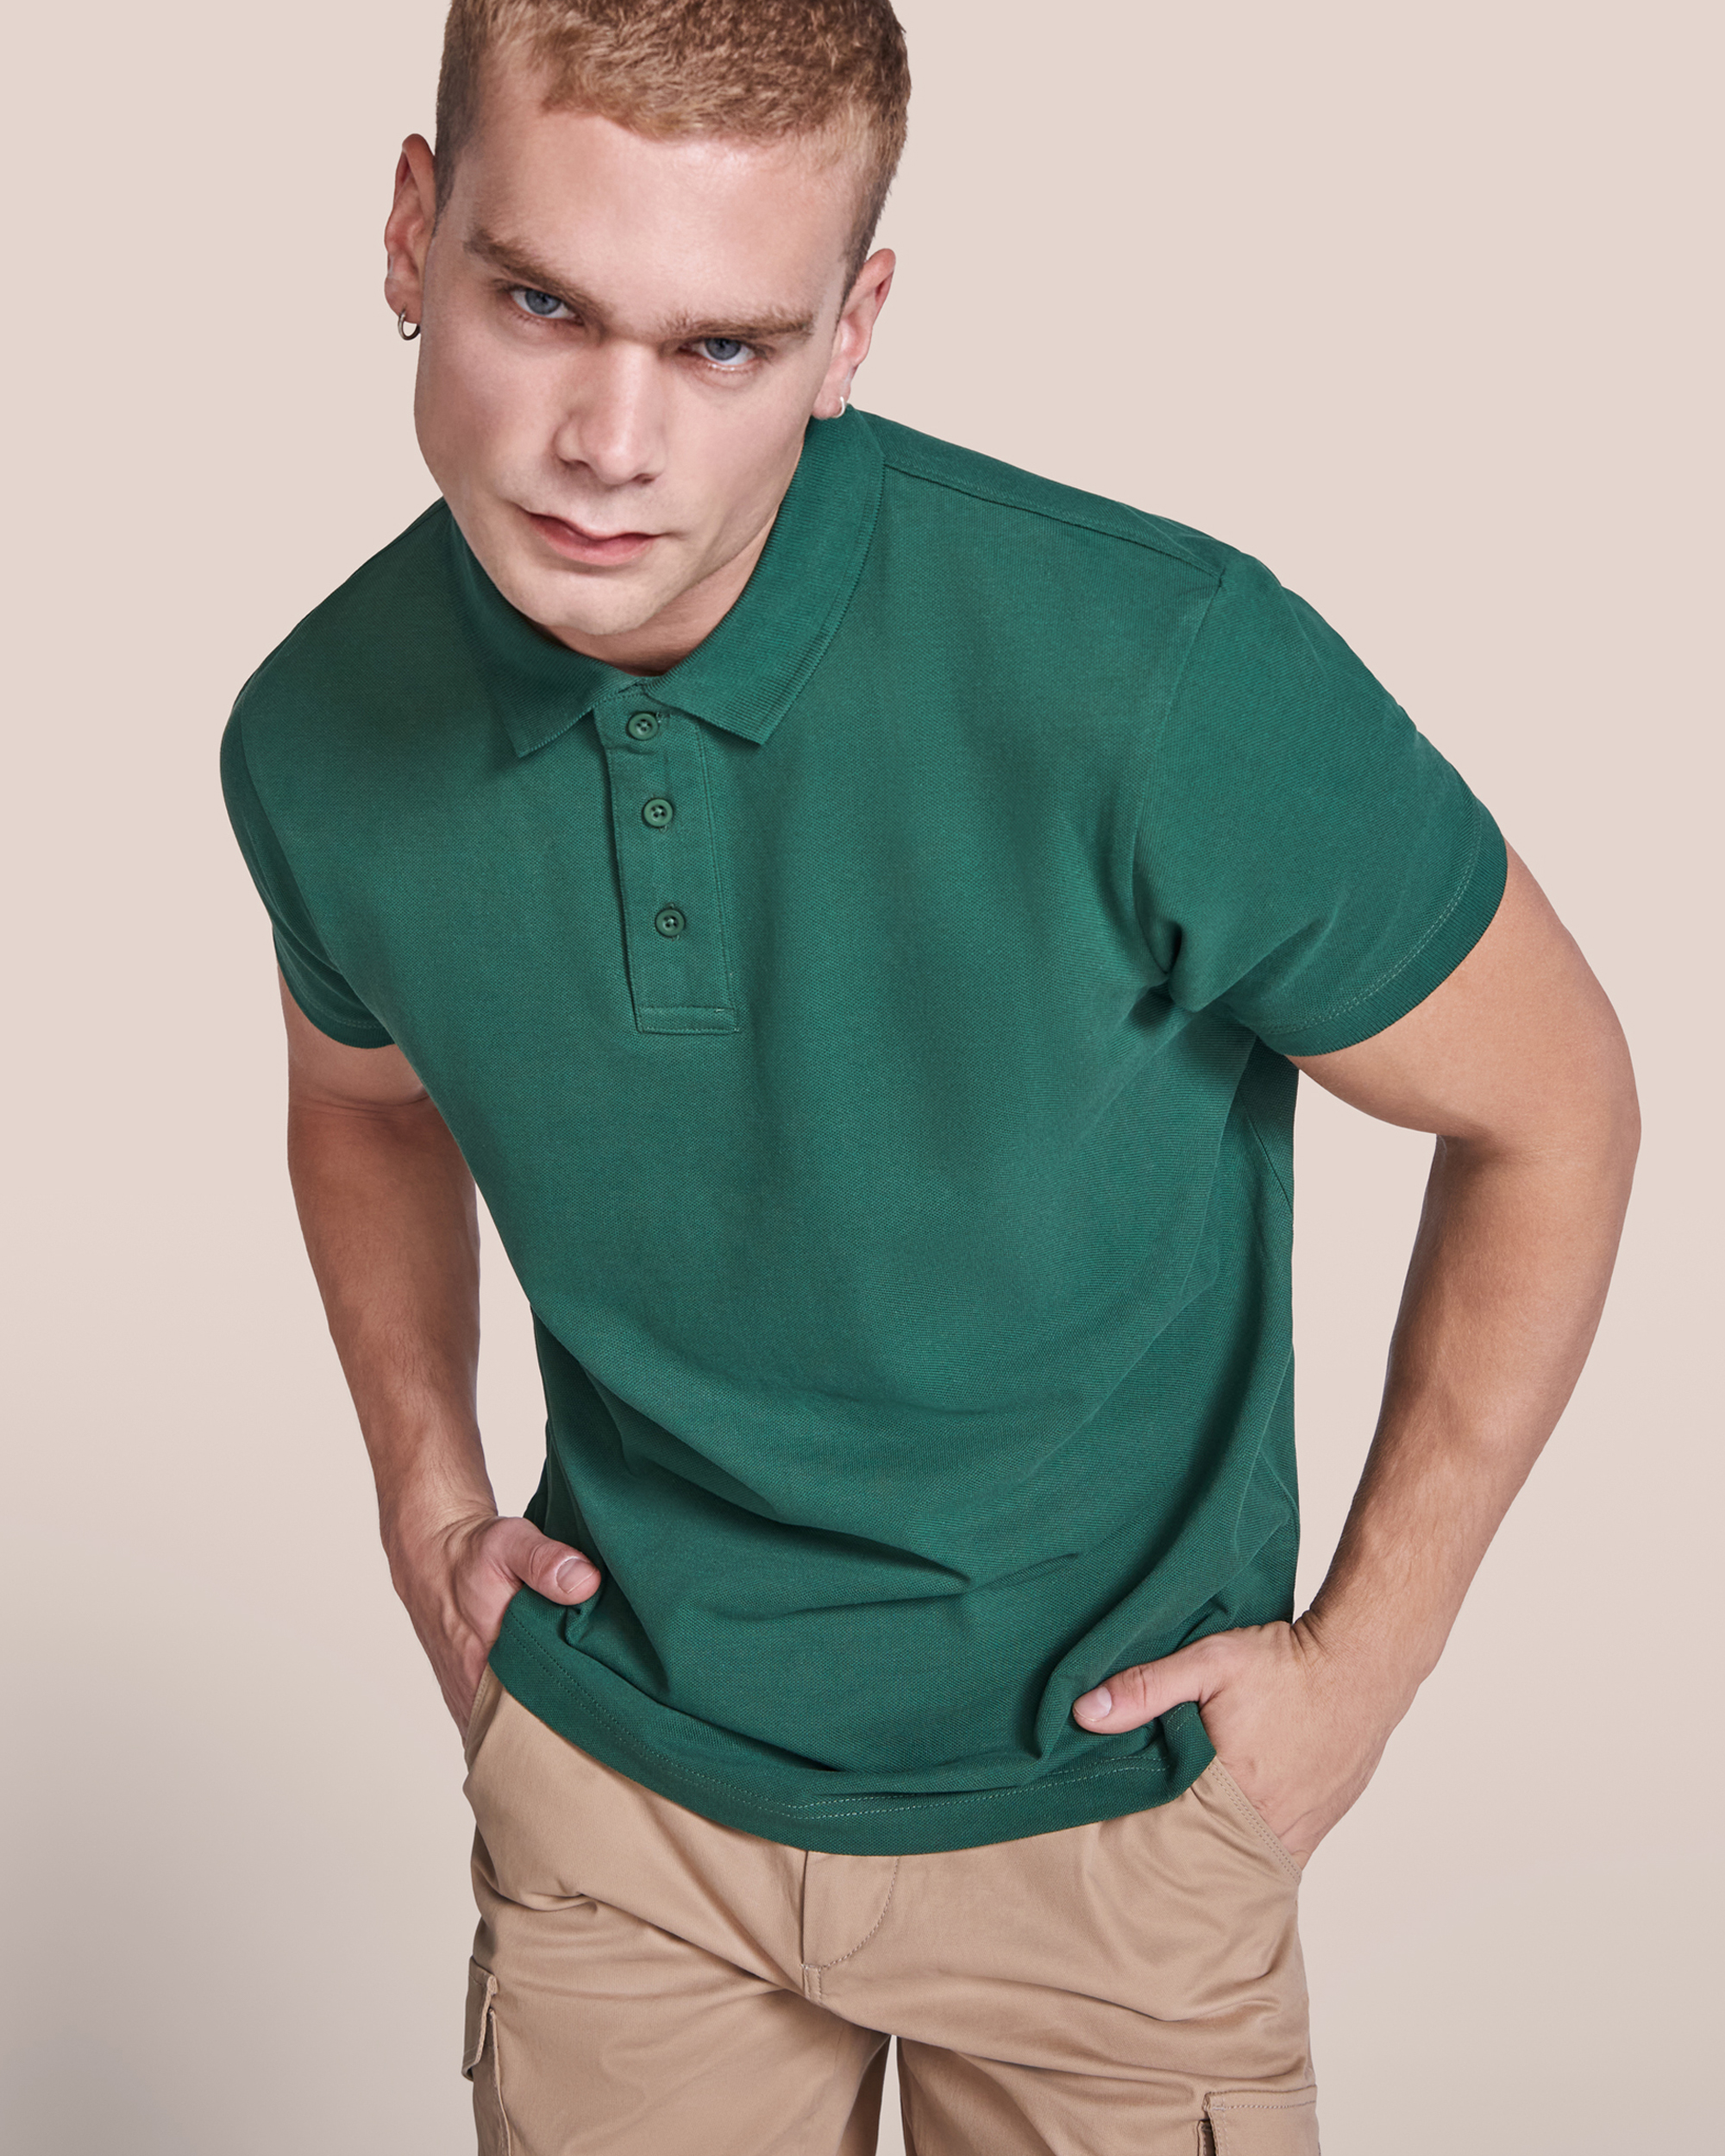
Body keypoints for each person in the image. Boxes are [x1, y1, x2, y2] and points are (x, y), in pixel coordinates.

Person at [219, 3, 1637, 2149]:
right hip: (623, 1805)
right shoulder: (318, 730)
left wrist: (1365, 1665)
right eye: (542, 303)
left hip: (1107, 1814)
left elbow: (1554, 1103)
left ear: (852, 330)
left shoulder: (1158, 671)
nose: (611, 439)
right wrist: (430, 1504)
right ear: (413, 231)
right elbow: (364, 1097)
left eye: (722, 346)